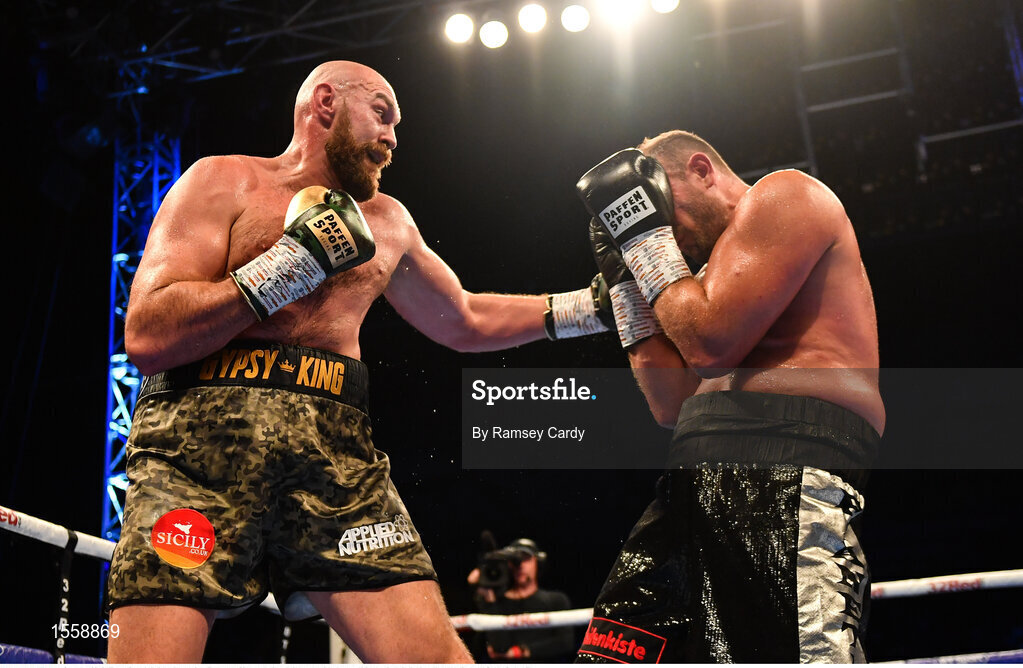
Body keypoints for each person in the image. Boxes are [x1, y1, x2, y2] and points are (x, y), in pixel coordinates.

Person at [105, 60, 609, 664]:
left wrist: (592, 307)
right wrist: (279, 272)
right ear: (325, 104)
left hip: (335, 465)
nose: (394, 138)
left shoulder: (389, 222)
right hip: (195, 458)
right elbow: (147, 332)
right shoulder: (224, 182)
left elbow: (466, 319)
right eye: (382, 113)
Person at [572, 131, 884, 663]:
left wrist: (643, 240)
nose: (666, 238)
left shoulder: (786, 195)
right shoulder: (701, 281)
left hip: (786, 469)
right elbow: (671, 403)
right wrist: (626, 278)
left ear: (701, 169)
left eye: (661, 213)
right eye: (649, 222)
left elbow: (709, 346)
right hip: (689, 485)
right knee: (616, 655)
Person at [467, 538, 575, 663]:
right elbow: (499, 649)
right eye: (514, 560)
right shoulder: (496, 603)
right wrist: (487, 599)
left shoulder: (556, 600)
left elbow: (565, 642)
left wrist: (521, 651)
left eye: (526, 558)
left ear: (538, 562)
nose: (520, 565)